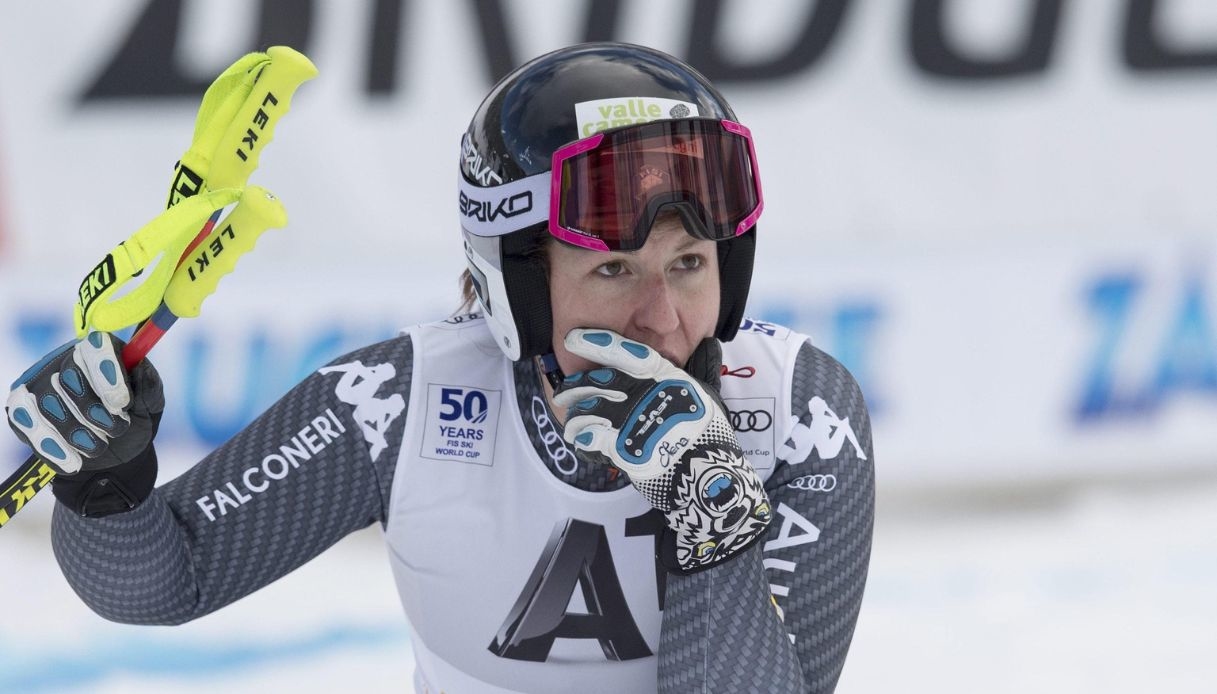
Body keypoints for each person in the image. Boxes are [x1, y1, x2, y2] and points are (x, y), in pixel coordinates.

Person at [6, 42, 874, 693]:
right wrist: (104, 482)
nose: (663, 319)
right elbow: (163, 584)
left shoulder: (801, 413)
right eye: (613, 270)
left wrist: (709, 502)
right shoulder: (402, 403)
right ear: (515, 285)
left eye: (688, 264)